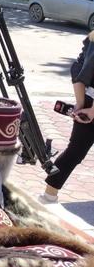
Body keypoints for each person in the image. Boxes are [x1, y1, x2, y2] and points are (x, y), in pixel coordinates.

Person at [40, 30, 94, 203]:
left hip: (87, 98)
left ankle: (48, 195)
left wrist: (80, 104)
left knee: (75, 150)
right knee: (75, 151)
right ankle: (49, 194)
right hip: (89, 104)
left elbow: (77, 69)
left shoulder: (91, 37)